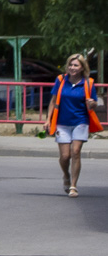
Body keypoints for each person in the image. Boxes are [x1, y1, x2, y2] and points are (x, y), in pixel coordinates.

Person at [43, 54, 100, 197]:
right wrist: (48, 120)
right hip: (62, 123)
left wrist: (92, 103)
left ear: (82, 67)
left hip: (80, 121)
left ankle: (73, 186)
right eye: (71, 65)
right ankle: (66, 176)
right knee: (64, 156)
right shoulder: (61, 80)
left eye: (76, 65)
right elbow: (53, 100)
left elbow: (94, 103)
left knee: (75, 152)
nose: (72, 68)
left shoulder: (88, 83)